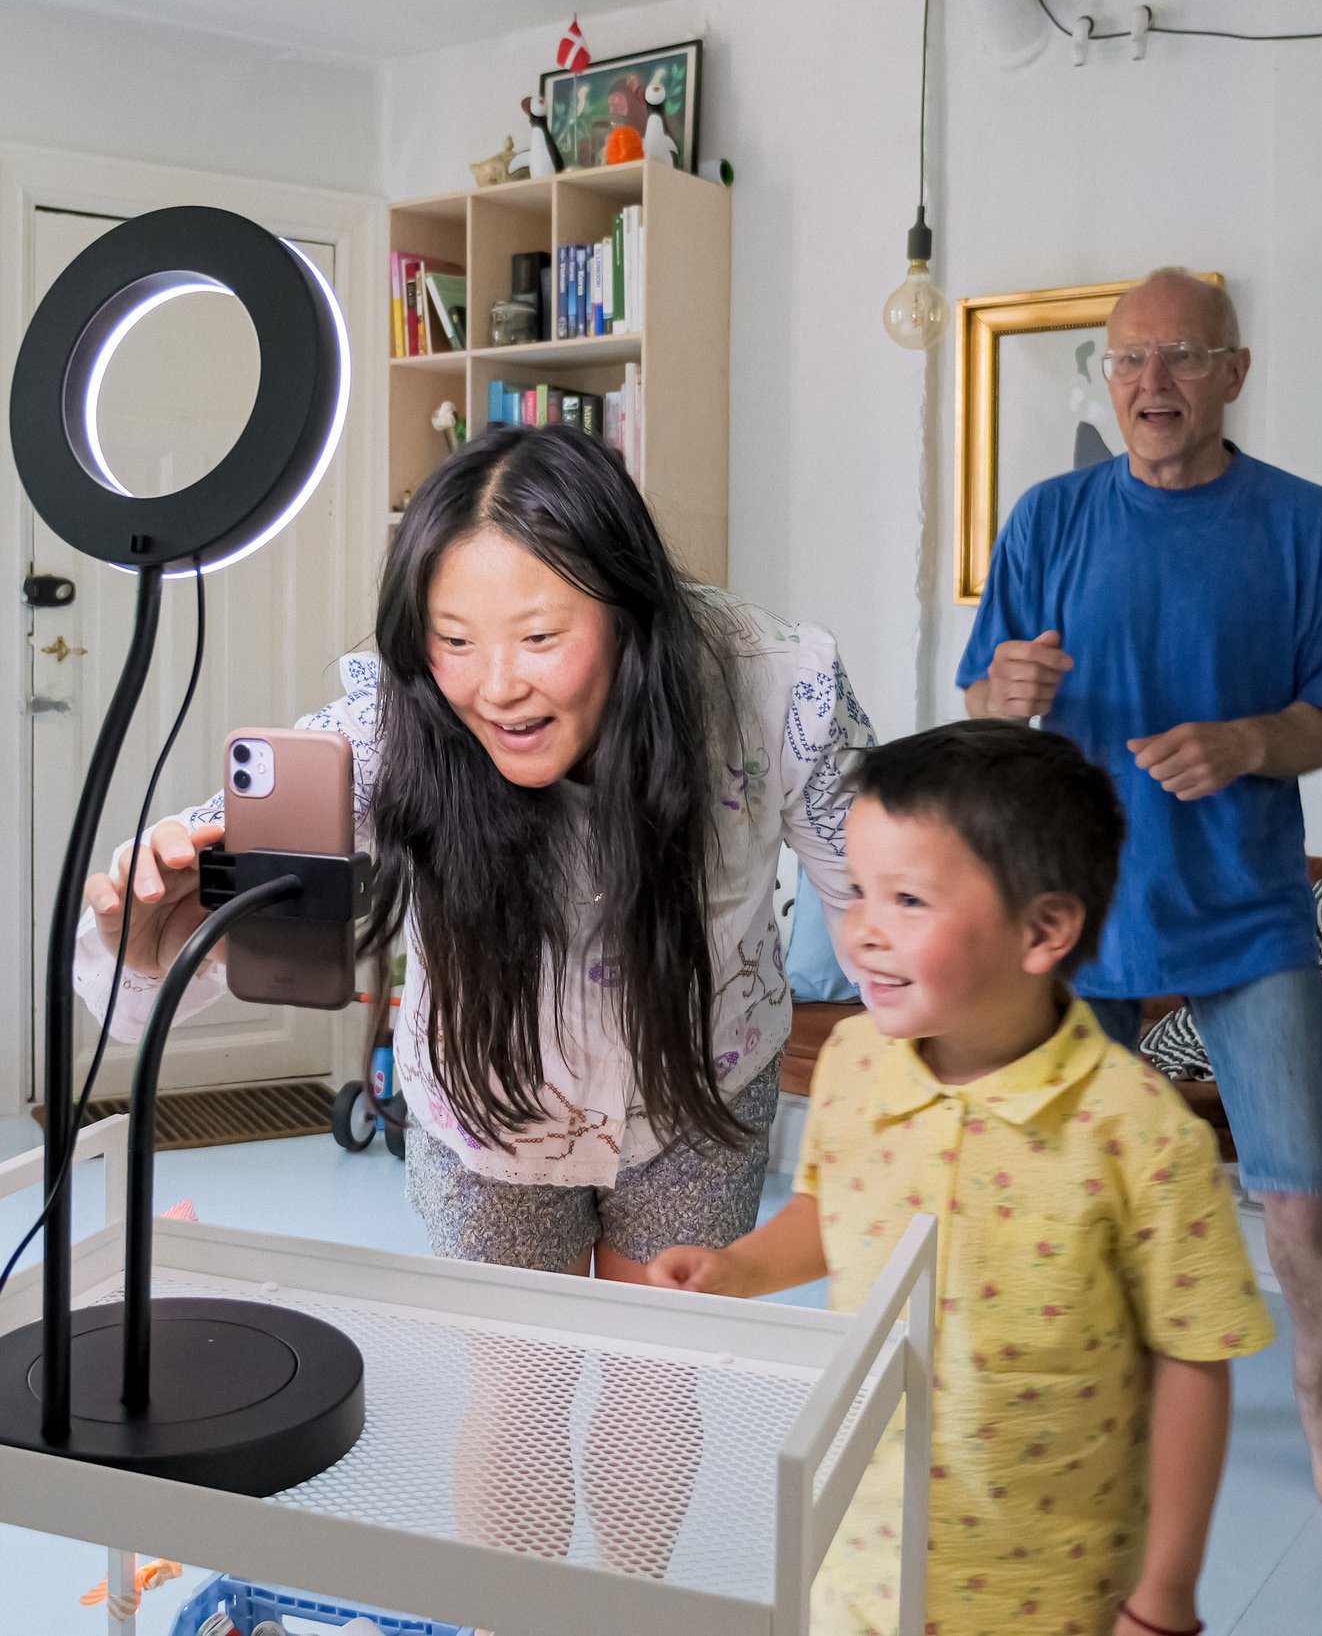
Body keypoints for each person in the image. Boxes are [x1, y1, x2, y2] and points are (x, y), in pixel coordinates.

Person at [75, 425, 874, 1581]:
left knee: (657, 1372)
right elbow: (173, 952)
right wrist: (138, 939)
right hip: (488, 1105)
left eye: (541, 638)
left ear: (628, 607)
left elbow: (889, 888)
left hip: (699, 1082)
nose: (496, 687)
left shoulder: (768, 683)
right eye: (455, 641)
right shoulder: (384, 724)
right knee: (517, 1378)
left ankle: (622, 1609)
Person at [650, 721, 1273, 1636]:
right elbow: (836, 1211)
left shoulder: (1138, 1132)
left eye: (908, 900)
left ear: (1044, 929)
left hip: (1052, 1586)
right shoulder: (856, 1062)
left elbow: (1192, 1361)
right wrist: (738, 1269)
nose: (862, 931)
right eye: (859, 891)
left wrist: (1165, 1596)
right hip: (858, 1551)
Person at [955, 266, 1322, 1528]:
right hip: (1070, 904)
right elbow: (981, 694)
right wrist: (1006, 693)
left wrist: (1249, 744)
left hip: (1242, 907)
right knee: (1056, 1181)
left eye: (1184, 358)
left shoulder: (1306, 525)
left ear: (1234, 374)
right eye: (1130, 360)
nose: (1152, 384)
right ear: (1106, 375)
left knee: (1308, 1189)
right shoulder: (1047, 517)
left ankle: (1319, 1391)